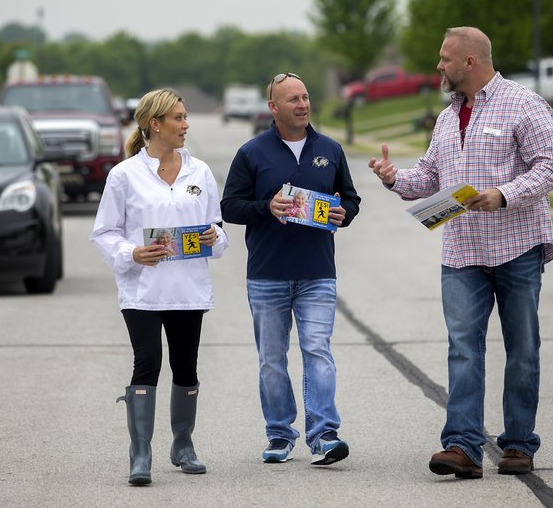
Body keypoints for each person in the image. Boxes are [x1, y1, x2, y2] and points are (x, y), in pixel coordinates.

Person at [369, 27, 553, 479]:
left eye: (444, 58)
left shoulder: (523, 104)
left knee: (522, 349)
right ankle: (462, 446)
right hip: (462, 252)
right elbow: (428, 177)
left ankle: (518, 444)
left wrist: (504, 193)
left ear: (470, 62)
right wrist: (392, 177)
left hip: (517, 248)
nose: (439, 66)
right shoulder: (445, 118)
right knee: (462, 348)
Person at [221, 72, 361, 466]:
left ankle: (324, 435)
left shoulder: (330, 149)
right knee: (271, 358)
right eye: (293, 99)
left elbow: (350, 199)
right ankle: (280, 434)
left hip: (317, 272)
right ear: (273, 108)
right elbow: (229, 206)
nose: (302, 104)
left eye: (305, 96)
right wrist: (266, 207)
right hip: (267, 274)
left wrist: (342, 212)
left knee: (317, 349)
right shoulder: (252, 152)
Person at [91, 88, 229, 485]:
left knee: (186, 366)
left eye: (186, 117)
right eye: (179, 118)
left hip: (188, 288)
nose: (186, 125)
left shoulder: (199, 172)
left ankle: (183, 445)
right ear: (155, 125)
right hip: (142, 291)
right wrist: (131, 253)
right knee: (147, 361)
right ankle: (140, 454)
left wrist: (212, 238)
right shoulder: (124, 176)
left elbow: (216, 229)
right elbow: (104, 232)